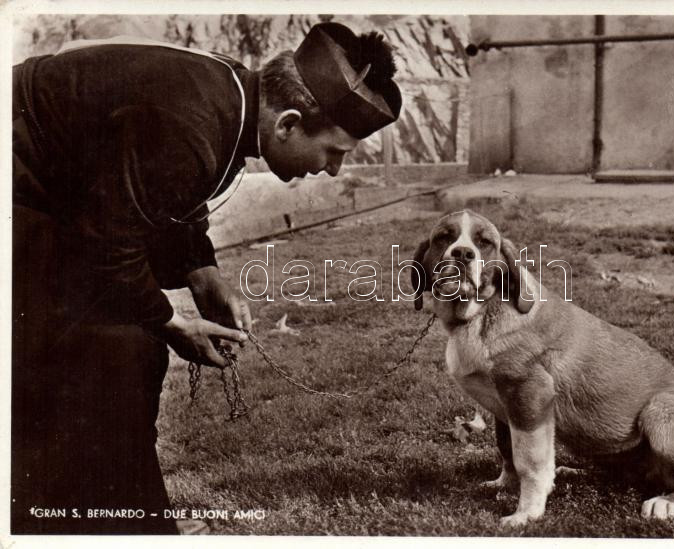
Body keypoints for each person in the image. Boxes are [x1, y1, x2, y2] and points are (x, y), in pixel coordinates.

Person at [11, 22, 401, 534]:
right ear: (287, 124)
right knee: (114, 353)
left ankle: (111, 519)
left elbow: (166, 197)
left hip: (44, 202)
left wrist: (203, 273)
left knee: (116, 354)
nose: (330, 170)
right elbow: (108, 243)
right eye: (334, 152)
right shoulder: (193, 118)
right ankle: (113, 526)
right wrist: (174, 323)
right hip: (19, 192)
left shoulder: (230, 96)